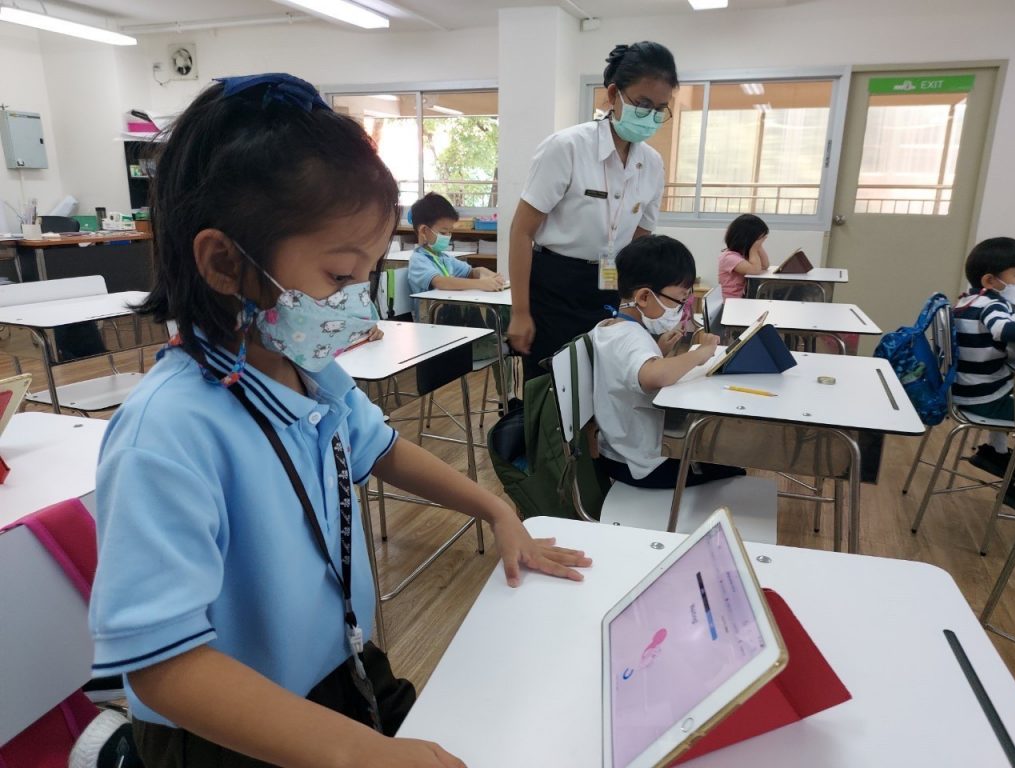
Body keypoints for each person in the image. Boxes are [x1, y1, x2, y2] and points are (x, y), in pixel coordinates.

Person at [88, 73, 590, 768]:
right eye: (338, 278)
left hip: (338, 663)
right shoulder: (167, 433)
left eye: (368, 276)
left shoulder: (310, 372)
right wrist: (362, 755)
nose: (358, 303)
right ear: (225, 262)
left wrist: (497, 510)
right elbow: (163, 670)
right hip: (227, 728)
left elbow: (383, 449)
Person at [508, 41, 678, 379]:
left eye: (660, 108)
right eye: (643, 104)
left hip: (613, 280)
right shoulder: (567, 147)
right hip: (555, 285)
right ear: (613, 94)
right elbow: (521, 232)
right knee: (555, 384)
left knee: (606, 378)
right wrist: (520, 312)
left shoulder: (652, 163)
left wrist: (638, 304)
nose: (651, 116)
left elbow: (641, 238)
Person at [590, 234, 745, 489]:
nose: (681, 309)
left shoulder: (608, 327)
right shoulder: (630, 337)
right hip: (643, 464)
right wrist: (701, 353)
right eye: (679, 301)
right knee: (733, 466)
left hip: (619, 452)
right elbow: (654, 376)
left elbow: (625, 372)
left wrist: (658, 350)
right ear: (643, 297)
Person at [952, 236, 1015, 480]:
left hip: (967, 390)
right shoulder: (991, 305)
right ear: (990, 281)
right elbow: (1002, 329)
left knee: (1011, 377)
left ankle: (996, 452)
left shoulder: (968, 300)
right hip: (983, 397)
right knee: (1014, 385)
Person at [406, 192, 506, 321]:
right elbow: (441, 282)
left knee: (480, 311)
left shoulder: (444, 258)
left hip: (451, 318)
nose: (448, 236)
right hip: (432, 322)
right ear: (424, 231)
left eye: (450, 232)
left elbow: (470, 272)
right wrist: (481, 284)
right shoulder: (418, 260)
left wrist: (485, 273)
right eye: (443, 232)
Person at [718, 213, 770, 300]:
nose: (760, 242)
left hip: (740, 300)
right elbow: (755, 270)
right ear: (747, 238)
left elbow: (765, 265)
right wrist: (754, 248)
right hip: (729, 302)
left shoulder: (742, 255)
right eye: (758, 239)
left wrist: (759, 246)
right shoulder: (729, 257)